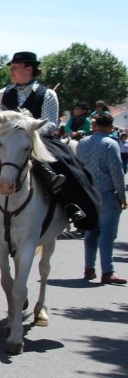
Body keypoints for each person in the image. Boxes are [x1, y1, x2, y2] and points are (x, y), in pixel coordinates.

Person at [0, 51, 99, 229]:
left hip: (37, 139)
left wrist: (27, 129)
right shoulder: (3, 93)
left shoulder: (47, 94)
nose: (12, 71)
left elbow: (51, 125)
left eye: (15, 67)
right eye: (12, 68)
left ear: (29, 68)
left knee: (63, 163)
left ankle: (70, 204)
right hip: (8, 140)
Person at [76, 114, 127, 284]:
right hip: (106, 193)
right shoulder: (110, 144)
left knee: (91, 231)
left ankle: (89, 268)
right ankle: (107, 271)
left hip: (88, 193)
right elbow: (117, 172)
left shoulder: (83, 143)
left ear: (95, 125)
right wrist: (122, 195)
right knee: (107, 233)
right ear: (110, 127)